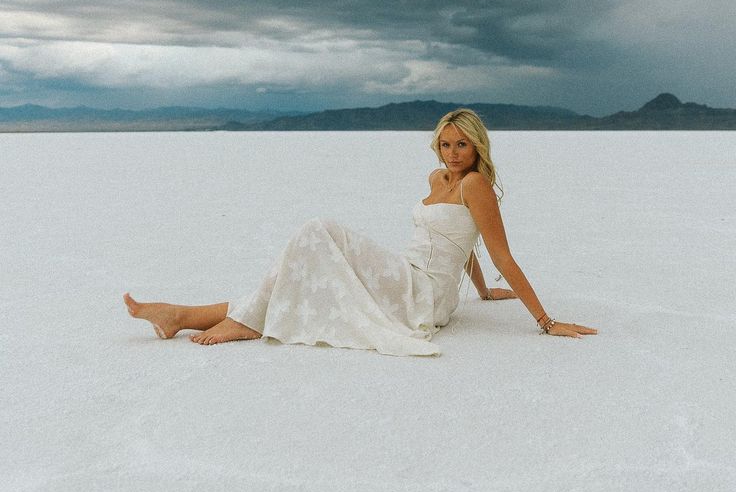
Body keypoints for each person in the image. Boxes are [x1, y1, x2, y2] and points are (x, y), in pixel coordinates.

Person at [124, 108, 597, 355]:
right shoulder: (438, 179)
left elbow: (499, 254)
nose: (453, 154)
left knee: (318, 231)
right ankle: (181, 314)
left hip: (422, 295)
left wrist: (547, 322)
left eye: (463, 146)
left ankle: (229, 320)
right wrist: (482, 294)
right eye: (446, 144)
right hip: (406, 273)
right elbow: (463, 244)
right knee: (304, 280)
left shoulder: (477, 185)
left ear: (478, 147)